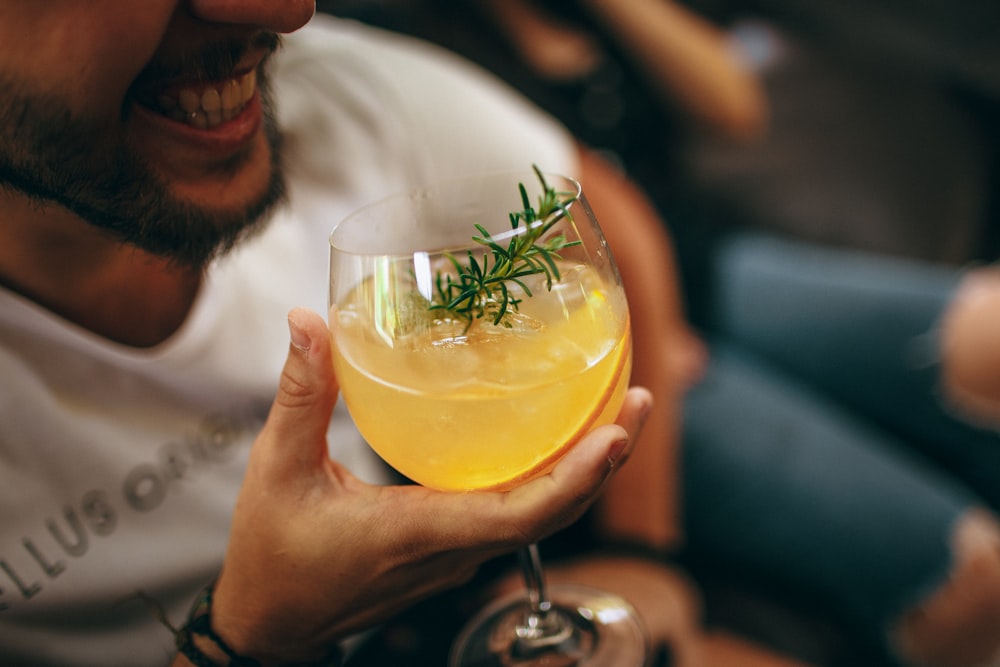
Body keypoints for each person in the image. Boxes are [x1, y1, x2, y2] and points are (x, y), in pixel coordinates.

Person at [0, 2, 718, 665]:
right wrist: (248, 639)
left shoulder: (330, 85)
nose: (286, 10)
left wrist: (639, 550)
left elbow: (594, 207)